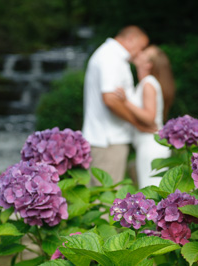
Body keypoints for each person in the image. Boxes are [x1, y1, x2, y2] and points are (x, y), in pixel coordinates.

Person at [82, 25, 153, 185]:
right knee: (107, 203)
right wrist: (136, 123)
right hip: (108, 141)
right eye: (141, 47)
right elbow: (110, 99)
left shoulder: (111, 55)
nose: (140, 53)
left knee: (100, 199)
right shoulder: (110, 57)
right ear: (130, 39)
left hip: (105, 139)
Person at [114, 45, 175, 188]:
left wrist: (125, 102)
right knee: (151, 187)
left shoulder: (148, 83)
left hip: (151, 145)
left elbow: (149, 117)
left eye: (144, 54)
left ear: (148, 64)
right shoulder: (146, 83)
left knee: (151, 188)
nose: (139, 53)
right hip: (148, 143)